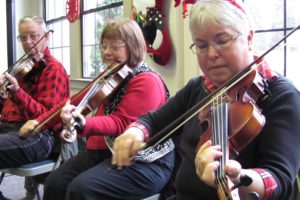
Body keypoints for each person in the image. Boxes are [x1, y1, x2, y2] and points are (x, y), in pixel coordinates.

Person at [112, 1, 300, 200]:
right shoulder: (198, 87)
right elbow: (154, 120)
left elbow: (280, 179)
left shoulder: (282, 96)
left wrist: (239, 177)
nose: (211, 54)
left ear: (249, 39)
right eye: (201, 45)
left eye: (223, 40)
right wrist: (135, 131)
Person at [25, 18, 175, 200]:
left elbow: (121, 123)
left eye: (114, 46)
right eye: (104, 46)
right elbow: (75, 100)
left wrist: (83, 123)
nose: (106, 53)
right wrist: (40, 122)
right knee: (55, 183)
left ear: (133, 45)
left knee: (81, 190)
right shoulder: (113, 74)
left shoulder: (147, 80)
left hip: (144, 160)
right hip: (105, 152)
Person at [0, 16, 69, 198]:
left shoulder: (54, 70)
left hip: (38, 136)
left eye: (33, 36)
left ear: (46, 37)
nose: (28, 42)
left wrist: (17, 92)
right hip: (8, 129)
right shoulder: (23, 69)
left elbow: (46, 118)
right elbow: (7, 109)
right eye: (23, 37)